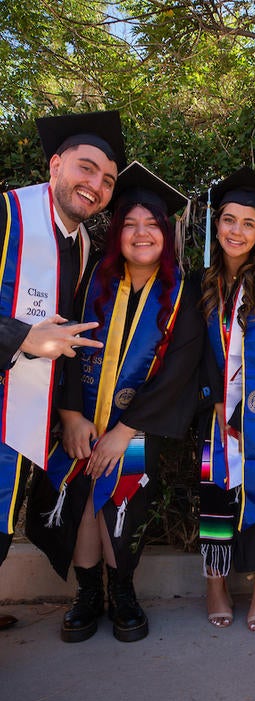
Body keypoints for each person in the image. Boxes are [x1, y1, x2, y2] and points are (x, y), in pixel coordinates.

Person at [26, 162, 205, 642]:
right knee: (83, 503)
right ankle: (88, 596)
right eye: (130, 223)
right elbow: (60, 346)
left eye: (152, 224)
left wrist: (125, 431)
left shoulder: (182, 293)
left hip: (138, 429)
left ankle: (122, 592)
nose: (141, 233)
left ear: (166, 234)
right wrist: (69, 416)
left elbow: (180, 371)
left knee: (119, 507)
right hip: (79, 422)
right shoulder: (88, 281)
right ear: (117, 232)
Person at [0, 111, 126, 630]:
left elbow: (72, 336)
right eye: (86, 168)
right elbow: (41, 335)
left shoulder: (81, 244)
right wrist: (24, 337)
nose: (95, 185)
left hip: (21, 415)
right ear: (55, 164)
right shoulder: (8, 215)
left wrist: (72, 412)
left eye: (107, 180)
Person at [197, 168, 255, 631]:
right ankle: (214, 580)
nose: (237, 231)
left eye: (248, 223)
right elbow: (192, 348)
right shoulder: (203, 283)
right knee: (214, 488)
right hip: (215, 408)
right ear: (217, 225)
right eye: (229, 220)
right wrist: (215, 396)